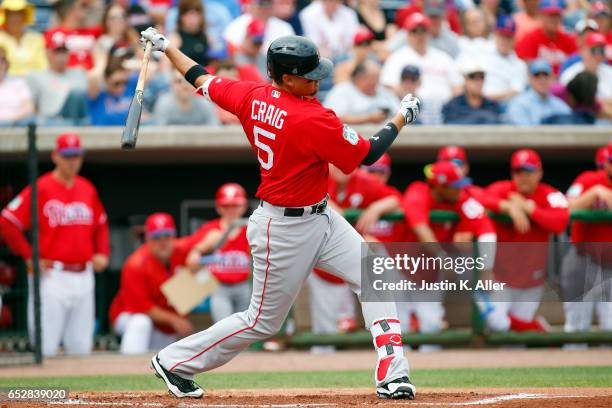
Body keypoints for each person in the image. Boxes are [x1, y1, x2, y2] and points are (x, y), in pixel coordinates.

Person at [140, 27, 420, 399]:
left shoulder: (252, 94)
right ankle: (175, 361)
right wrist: (401, 117)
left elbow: (201, 77)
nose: (318, 82)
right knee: (261, 322)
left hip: (322, 216)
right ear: (287, 78)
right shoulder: (312, 119)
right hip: (283, 228)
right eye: (309, 77)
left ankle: (393, 374)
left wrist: (168, 48)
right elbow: (367, 154)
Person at [0, 133, 109, 357]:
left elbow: (101, 223)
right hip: (51, 276)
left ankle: (81, 394)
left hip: (84, 275)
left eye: (77, 155)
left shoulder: (87, 188)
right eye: (67, 155)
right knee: (45, 348)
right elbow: (7, 220)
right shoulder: (41, 187)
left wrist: (103, 253)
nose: (72, 160)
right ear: (55, 156)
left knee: (81, 349)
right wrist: (29, 255)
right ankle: (46, 393)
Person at [400, 161, 496, 346]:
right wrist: (443, 258)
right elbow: (421, 229)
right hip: (398, 268)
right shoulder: (418, 192)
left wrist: (486, 269)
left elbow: (486, 228)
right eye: (455, 186)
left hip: (428, 274)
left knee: (432, 327)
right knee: (399, 327)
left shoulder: (461, 198)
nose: (460, 190)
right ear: (440, 187)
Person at [309, 164, 401, 350]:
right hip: (320, 261)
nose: (341, 167)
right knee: (324, 331)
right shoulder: (316, 177)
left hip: (349, 258)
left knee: (375, 259)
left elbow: (395, 199)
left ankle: (385, 348)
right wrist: (323, 202)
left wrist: (376, 208)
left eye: (344, 161)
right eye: (335, 162)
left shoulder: (363, 181)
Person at [484, 149, 569, 332]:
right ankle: (537, 327)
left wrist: (530, 209)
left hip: (531, 282)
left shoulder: (550, 194)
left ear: (539, 173)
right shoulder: (502, 190)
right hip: (501, 279)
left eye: (529, 171)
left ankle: (532, 330)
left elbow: (561, 222)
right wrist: (506, 206)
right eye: (518, 171)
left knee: (515, 343)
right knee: (496, 323)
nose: (523, 176)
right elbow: (476, 196)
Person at [110, 213, 196, 355]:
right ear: (147, 239)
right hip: (129, 315)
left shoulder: (182, 250)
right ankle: (127, 366)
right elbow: (143, 307)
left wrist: (197, 254)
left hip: (163, 323)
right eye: (157, 237)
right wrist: (175, 320)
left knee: (163, 361)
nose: (163, 242)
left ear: (174, 237)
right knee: (141, 323)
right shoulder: (135, 264)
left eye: (167, 236)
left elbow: (207, 237)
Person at [562, 143, 612, 341]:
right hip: (583, 259)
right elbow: (564, 207)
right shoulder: (589, 180)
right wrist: (594, 193)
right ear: (606, 164)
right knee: (576, 327)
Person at [185, 183, 251, 323]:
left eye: (235, 206)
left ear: (244, 206)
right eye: (226, 206)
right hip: (219, 286)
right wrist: (201, 249)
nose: (231, 210)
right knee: (223, 328)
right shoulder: (210, 229)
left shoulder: (251, 230)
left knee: (245, 330)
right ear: (218, 207)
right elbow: (191, 263)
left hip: (244, 286)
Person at [381, 12, 462, 125]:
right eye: (414, 31)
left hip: (445, 111)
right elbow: (388, 87)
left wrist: (446, 104)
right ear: (408, 34)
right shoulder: (397, 58)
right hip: (412, 113)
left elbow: (458, 86)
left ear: (429, 33)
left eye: (423, 31)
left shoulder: (443, 57)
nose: (419, 36)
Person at [27, 34, 88, 125]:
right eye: (57, 52)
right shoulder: (36, 76)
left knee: (76, 95)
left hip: (78, 119)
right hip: (51, 120)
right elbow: (31, 106)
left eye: (64, 52)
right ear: (47, 53)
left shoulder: (79, 72)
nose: (61, 56)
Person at [324, 60, 399, 125]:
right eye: (372, 78)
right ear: (359, 77)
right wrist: (368, 119)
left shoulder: (383, 91)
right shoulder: (341, 91)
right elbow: (332, 118)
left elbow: (400, 113)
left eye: (378, 78)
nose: (376, 82)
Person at [515, 0, 577, 75]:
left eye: (557, 15)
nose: (554, 20)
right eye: (550, 15)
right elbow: (524, 68)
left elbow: (576, 65)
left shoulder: (568, 40)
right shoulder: (530, 39)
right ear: (541, 15)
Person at [504, 59, 571, 125]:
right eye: (537, 76)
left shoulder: (559, 105)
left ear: (552, 78)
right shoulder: (519, 104)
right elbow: (524, 134)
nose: (542, 80)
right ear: (530, 79)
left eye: (546, 76)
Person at [560, 32, 612, 111]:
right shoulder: (570, 73)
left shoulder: (609, 72)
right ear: (583, 50)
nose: (597, 54)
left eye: (601, 50)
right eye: (594, 50)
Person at [482, 15, 528, 103]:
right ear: (495, 35)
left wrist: (488, 97)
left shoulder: (519, 64)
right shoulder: (482, 50)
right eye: (502, 35)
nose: (505, 40)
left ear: (514, 39)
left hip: (503, 105)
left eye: (508, 37)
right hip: (476, 101)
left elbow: (516, 91)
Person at [44, 0, 102, 71]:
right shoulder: (52, 34)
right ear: (71, 10)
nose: (86, 9)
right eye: (82, 6)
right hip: (65, 78)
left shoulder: (93, 32)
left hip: (91, 77)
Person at [223, 0, 294, 57]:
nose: (264, 8)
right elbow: (230, 52)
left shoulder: (284, 27)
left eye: (268, 4)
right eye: (260, 4)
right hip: (243, 63)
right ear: (251, 6)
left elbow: (289, 53)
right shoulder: (236, 25)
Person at [442, 61, 502, 125]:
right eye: (472, 77)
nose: (478, 82)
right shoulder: (453, 105)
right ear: (465, 79)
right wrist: (480, 117)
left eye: (482, 77)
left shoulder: (491, 104)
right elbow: (450, 127)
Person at [154, 70, 219, 125]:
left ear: (195, 84)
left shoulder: (205, 105)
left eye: (189, 81)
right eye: (179, 81)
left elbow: (214, 131)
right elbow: (159, 133)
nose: (184, 85)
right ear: (171, 84)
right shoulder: (164, 104)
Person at [0, 0, 47, 76]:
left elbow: (43, 66)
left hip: (33, 83)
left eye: (19, 13)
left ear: (25, 15)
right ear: (5, 16)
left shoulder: (37, 38)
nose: (15, 18)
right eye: (11, 14)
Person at [87, 58, 137, 126]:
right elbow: (93, 77)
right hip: (103, 134)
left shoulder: (130, 89)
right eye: (117, 83)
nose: (121, 87)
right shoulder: (98, 95)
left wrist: (126, 64)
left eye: (124, 82)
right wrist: (103, 64)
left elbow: (148, 70)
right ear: (106, 80)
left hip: (126, 134)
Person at [169, 0, 210, 67]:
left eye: (197, 15)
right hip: (183, 75)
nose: (193, 20)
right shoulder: (176, 38)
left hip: (206, 74)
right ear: (181, 17)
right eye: (189, 15)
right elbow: (165, 66)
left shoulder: (207, 37)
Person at [0, 45, 34, 125]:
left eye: (1, 61)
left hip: (15, 126)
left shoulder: (18, 83)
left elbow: (29, 108)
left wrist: (10, 120)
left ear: (6, 64)